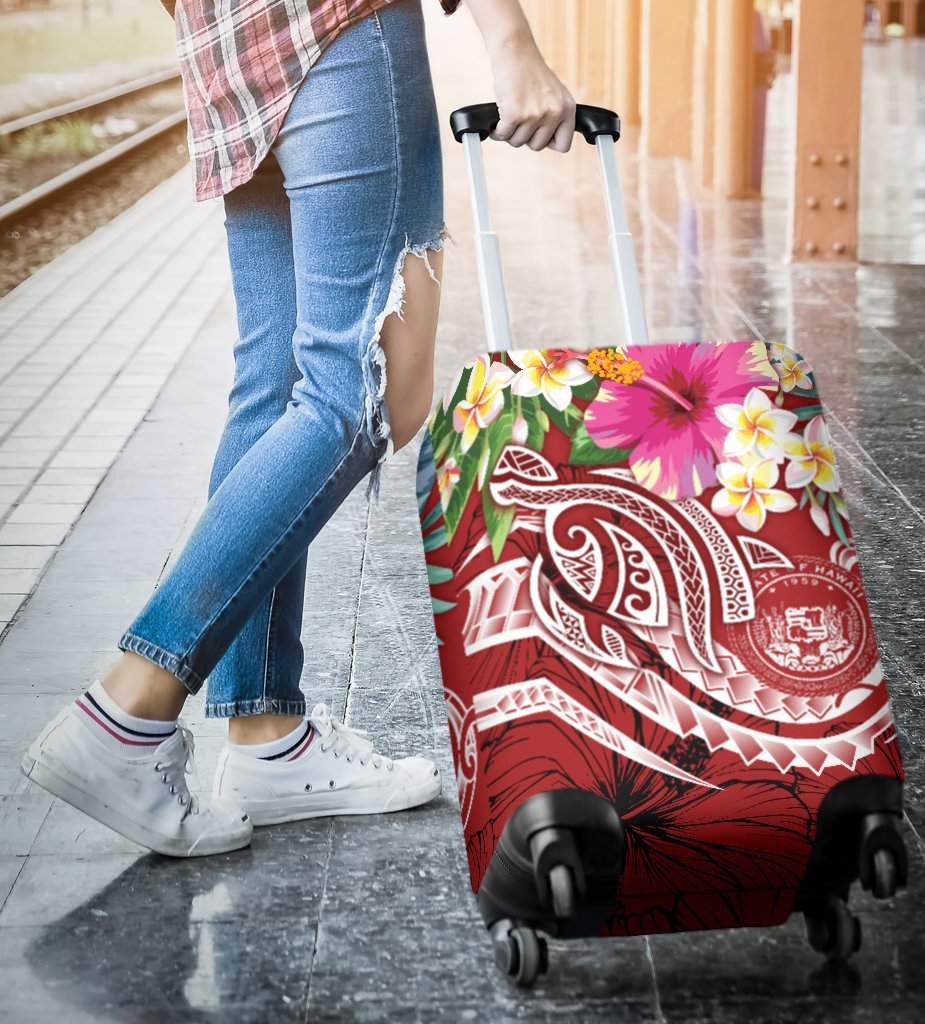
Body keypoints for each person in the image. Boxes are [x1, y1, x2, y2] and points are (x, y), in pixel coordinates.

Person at [21, 0, 576, 857]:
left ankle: (265, 735)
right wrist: (512, 43)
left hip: (228, 50)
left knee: (276, 384)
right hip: (341, 28)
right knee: (359, 391)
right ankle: (127, 711)